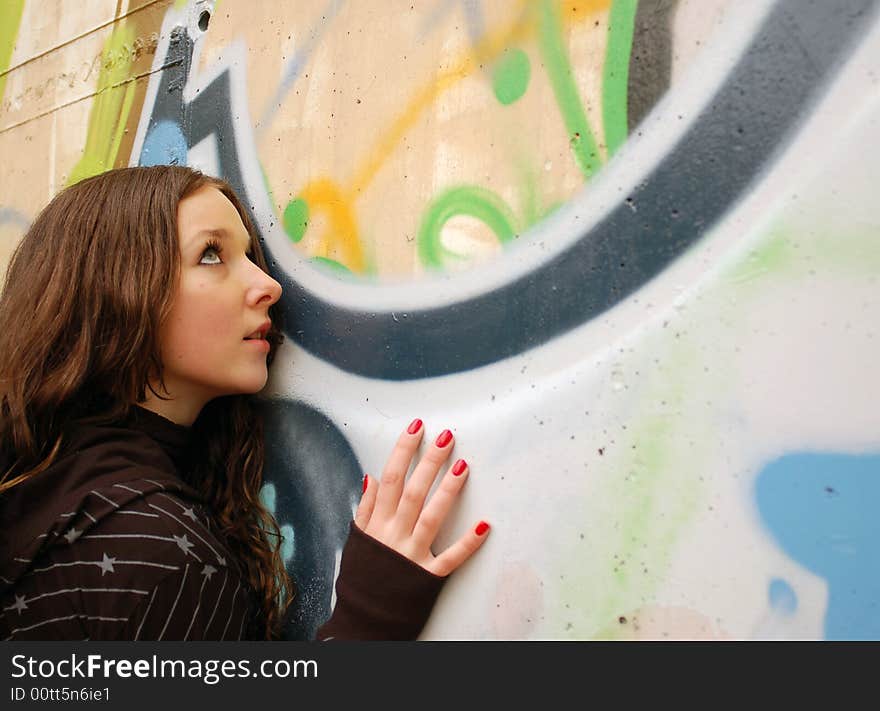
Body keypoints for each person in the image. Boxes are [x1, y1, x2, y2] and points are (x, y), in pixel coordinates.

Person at [0, 165, 490, 640]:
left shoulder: (38, 479)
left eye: (252, 255)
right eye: (211, 255)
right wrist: (368, 619)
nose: (269, 286)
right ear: (116, 291)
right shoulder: (163, 562)